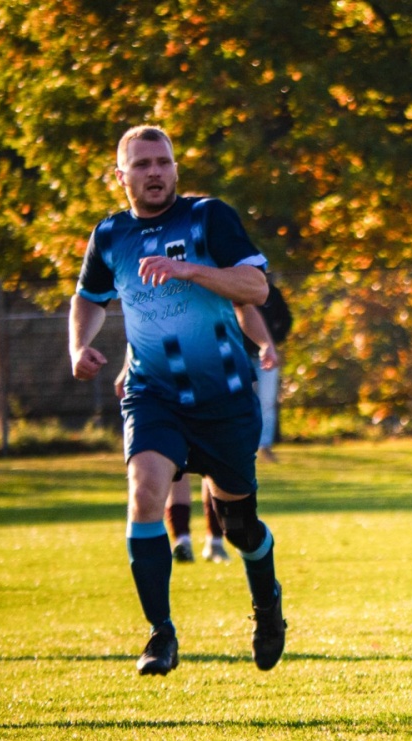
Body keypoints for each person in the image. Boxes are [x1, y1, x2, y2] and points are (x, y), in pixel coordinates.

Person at [69, 125, 287, 676]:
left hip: (225, 399)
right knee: (145, 492)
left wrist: (191, 270)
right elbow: (88, 298)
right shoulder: (110, 235)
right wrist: (79, 344)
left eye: (163, 162)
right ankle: (160, 634)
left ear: (175, 169)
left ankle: (267, 605)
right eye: (141, 164)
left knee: (239, 527)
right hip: (153, 395)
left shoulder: (208, 217)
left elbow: (256, 288)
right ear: (121, 176)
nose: (155, 173)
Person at [113, 302, 278, 565]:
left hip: (216, 385)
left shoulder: (215, 268)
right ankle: (183, 539)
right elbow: (143, 328)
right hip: (165, 391)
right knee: (171, 465)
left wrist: (265, 343)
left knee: (213, 471)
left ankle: (212, 540)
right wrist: (127, 367)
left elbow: (248, 304)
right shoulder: (148, 272)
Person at [246, 281, 291, 462]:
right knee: (243, 400)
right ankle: (245, 445)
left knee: (266, 400)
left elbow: (286, 320)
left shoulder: (271, 292)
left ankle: (264, 446)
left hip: (266, 357)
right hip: (242, 355)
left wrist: (271, 342)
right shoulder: (237, 288)